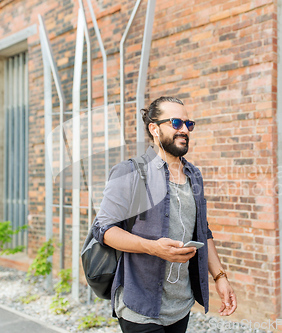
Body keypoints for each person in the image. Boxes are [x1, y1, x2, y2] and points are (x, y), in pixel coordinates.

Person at [92, 96, 237, 333]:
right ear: (154, 129)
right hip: (140, 305)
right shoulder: (129, 171)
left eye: (188, 124)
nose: (184, 130)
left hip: (181, 305)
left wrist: (220, 277)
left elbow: (203, 230)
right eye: (176, 123)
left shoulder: (194, 175)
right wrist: (152, 247)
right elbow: (104, 230)